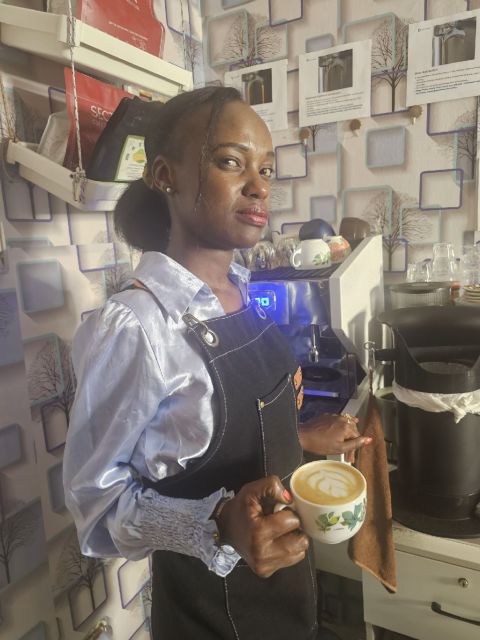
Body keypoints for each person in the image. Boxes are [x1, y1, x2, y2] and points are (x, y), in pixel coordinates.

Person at [63, 86, 371, 640]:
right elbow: (97, 507)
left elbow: (215, 439)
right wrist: (215, 524)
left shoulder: (243, 291)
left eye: (266, 169)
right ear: (166, 175)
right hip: (209, 618)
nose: (260, 187)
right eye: (231, 162)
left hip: (289, 600)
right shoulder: (136, 327)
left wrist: (301, 437)